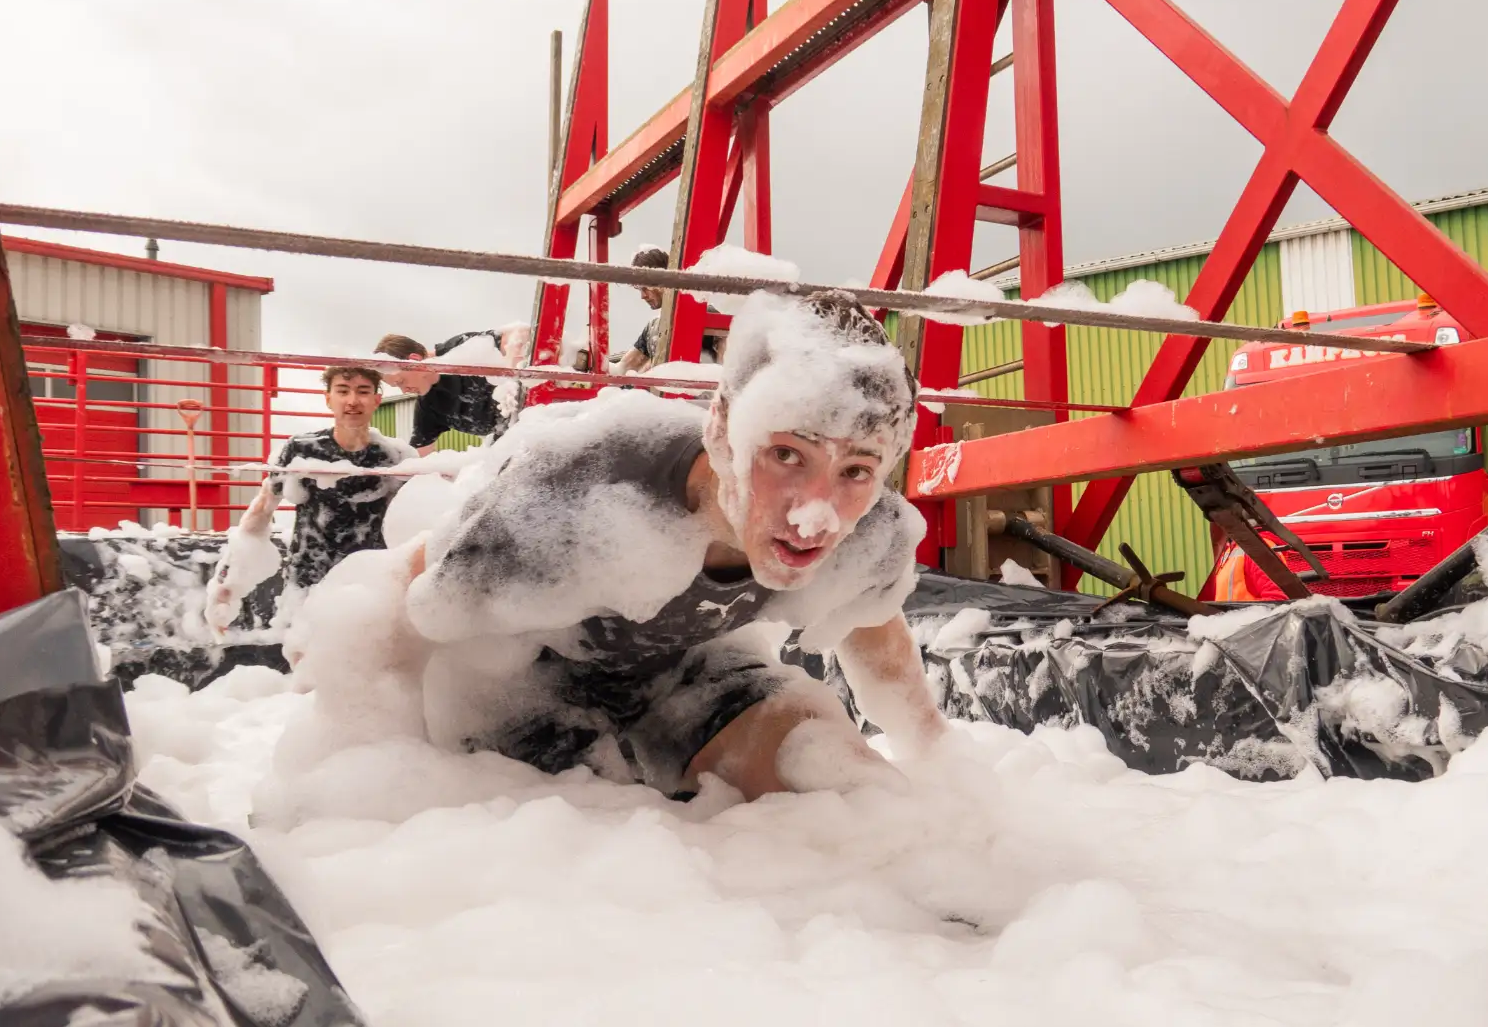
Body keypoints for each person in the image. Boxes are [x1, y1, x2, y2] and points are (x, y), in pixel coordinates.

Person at [395, 291, 947, 801]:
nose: (814, 514)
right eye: (786, 455)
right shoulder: (581, 490)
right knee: (584, 841)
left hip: (690, 682)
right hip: (523, 690)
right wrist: (377, 756)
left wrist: (943, 763)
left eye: (856, 470)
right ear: (722, 429)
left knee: (854, 796)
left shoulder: (869, 528)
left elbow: (877, 637)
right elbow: (418, 598)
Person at [206, 365, 411, 630]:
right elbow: (263, 509)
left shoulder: (393, 456)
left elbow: (409, 523)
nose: (352, 401)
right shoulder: (302, 449)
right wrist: (227, 585)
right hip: (308, 579)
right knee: (304, 651)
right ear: (328, 399)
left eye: (363, 391)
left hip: (369, 581)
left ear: (376, 400)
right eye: (342, 391)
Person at [374, 325, 531, 454]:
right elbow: (420, 456)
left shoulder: (459, 350)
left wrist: (511, 377)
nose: (404, 391)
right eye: (397, 386)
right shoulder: (429, 407)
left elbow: (521, 333)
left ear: (414, 360)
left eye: (401, 381)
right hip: (513, 446)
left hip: (535, 417)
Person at [615, 245, 723, 373]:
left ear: (661, 280)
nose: (642, 296)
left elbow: (727, 368)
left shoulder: (705, 314)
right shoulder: (652, 327)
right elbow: (623, 367)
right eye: (639, 289)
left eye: (645, 287)